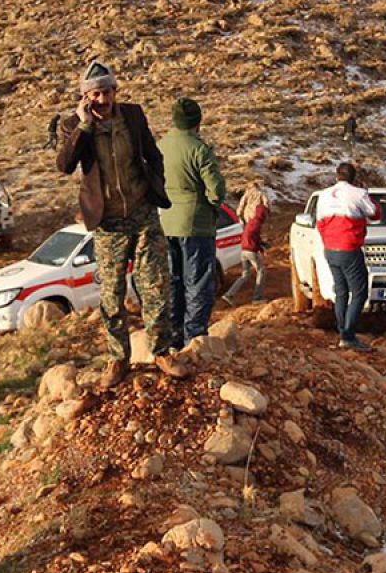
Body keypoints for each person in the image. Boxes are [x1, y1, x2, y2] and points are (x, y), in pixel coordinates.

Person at [56, 62, 186, 389]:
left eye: (107, 91)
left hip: (143, 214)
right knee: (112, 294)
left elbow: (153, 155)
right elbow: (65, 164)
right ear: (85, 97)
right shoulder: (72, 124)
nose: (103, 99)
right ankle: (118, 358)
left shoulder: (132, 115)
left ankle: (162, 351)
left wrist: (156, 182)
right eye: (95, 93)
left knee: (156, 285)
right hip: (108, 223)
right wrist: (84, 127)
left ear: (116, 90)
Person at [158, 98, 227, 346]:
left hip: (166, 222)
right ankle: (194, 339)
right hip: (196, 224)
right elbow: (216, 190)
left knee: (173, 281)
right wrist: (212, 203)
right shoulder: (199, 149)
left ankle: (173, 337)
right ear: (197, 122)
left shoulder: (161, 146)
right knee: (196, 282)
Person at [316, 162, 379, 352]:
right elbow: (375, 213)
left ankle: (342, 330)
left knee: (341, 291)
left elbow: (319, 222)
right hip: (349, 247)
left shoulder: (324, 195)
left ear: (337, 176)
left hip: (330, 248)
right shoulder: (358, 193)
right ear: (353, 177)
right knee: (359, 292)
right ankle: (348, 335)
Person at [223, 182, 270, 306]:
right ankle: (257, 297)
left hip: (244, 248)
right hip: (250, 250)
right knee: (261, 271)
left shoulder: (249, 224)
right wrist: (260, 247)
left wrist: (241, 218)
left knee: (245, 274)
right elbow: (253, 240)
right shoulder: (256, 223)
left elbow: (240, 208)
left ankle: (229, 294)